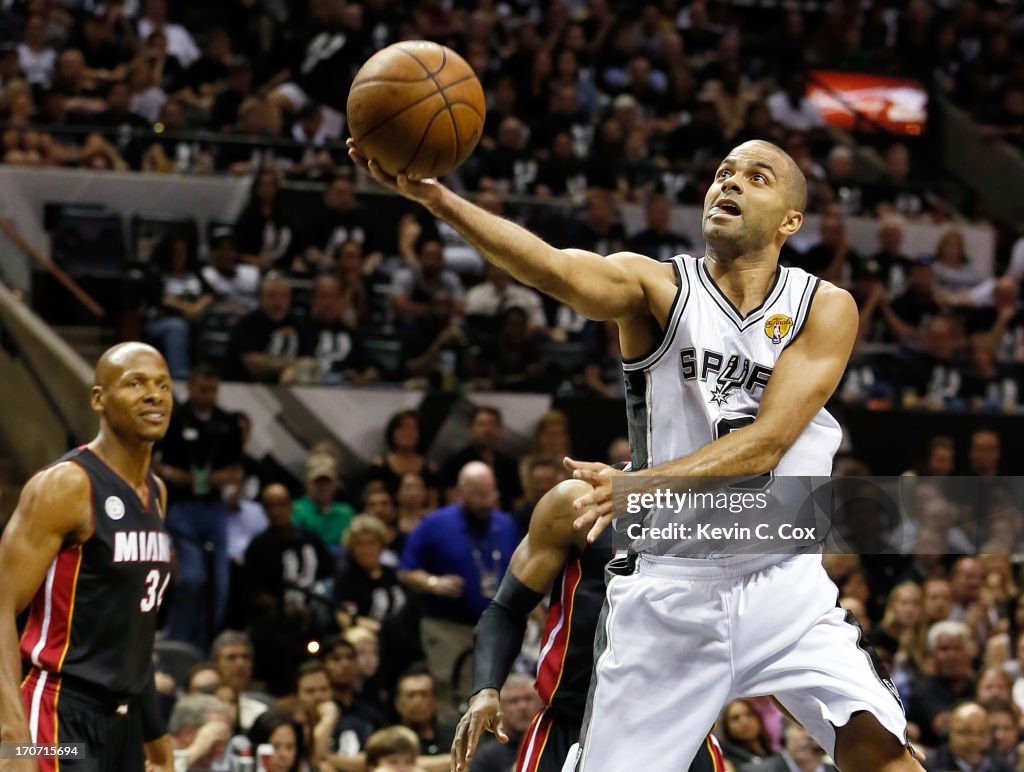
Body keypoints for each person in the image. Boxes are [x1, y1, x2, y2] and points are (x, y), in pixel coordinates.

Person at [349, 137, 920, 771]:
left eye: (756, 178)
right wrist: (437, 199)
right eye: (723, 172)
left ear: (791, 219)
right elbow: (552, 269)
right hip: (670, 592)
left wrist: (639, 486)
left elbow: (767, 443)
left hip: (780, 579)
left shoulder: (825, 306)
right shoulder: (657, 287)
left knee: (881, 750)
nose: (729, 183)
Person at [451, 479, 723, 772]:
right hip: (576, 726)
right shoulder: (579, 500)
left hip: (680, 729)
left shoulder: (734, 509)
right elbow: (506, 608)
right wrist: (486, 689)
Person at [0, 342, 175, 771]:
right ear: (99, 399)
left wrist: (159, 745)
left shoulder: (156, 493)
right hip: (58, 716)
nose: (154, 395)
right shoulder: (66, 486)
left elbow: (137, 634)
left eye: (163, 385)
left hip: (123, 721)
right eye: (136, 383)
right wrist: (12, 737)